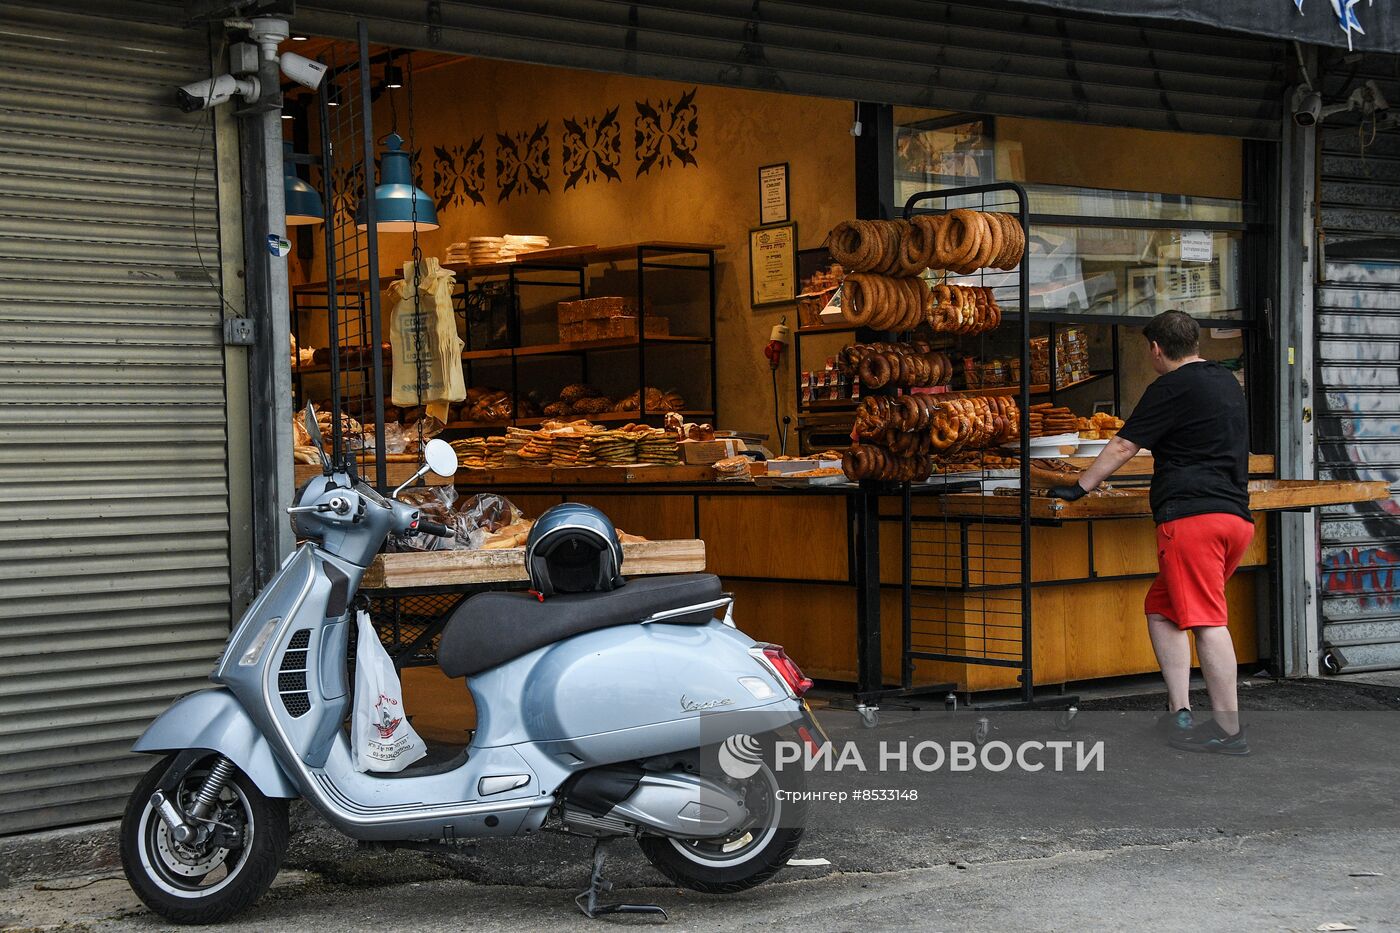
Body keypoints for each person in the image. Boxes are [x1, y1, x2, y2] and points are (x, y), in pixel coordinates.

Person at [1049, 310, 1254, 755]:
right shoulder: (1225, 382)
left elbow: (1125, 444)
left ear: (1156, 349)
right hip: (1235, 518)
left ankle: (1229, 731)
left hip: (1192, 520)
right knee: (1162, 610)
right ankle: (1179, 711)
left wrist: (1081, 486)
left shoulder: (1170, 386)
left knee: (1207, 622)